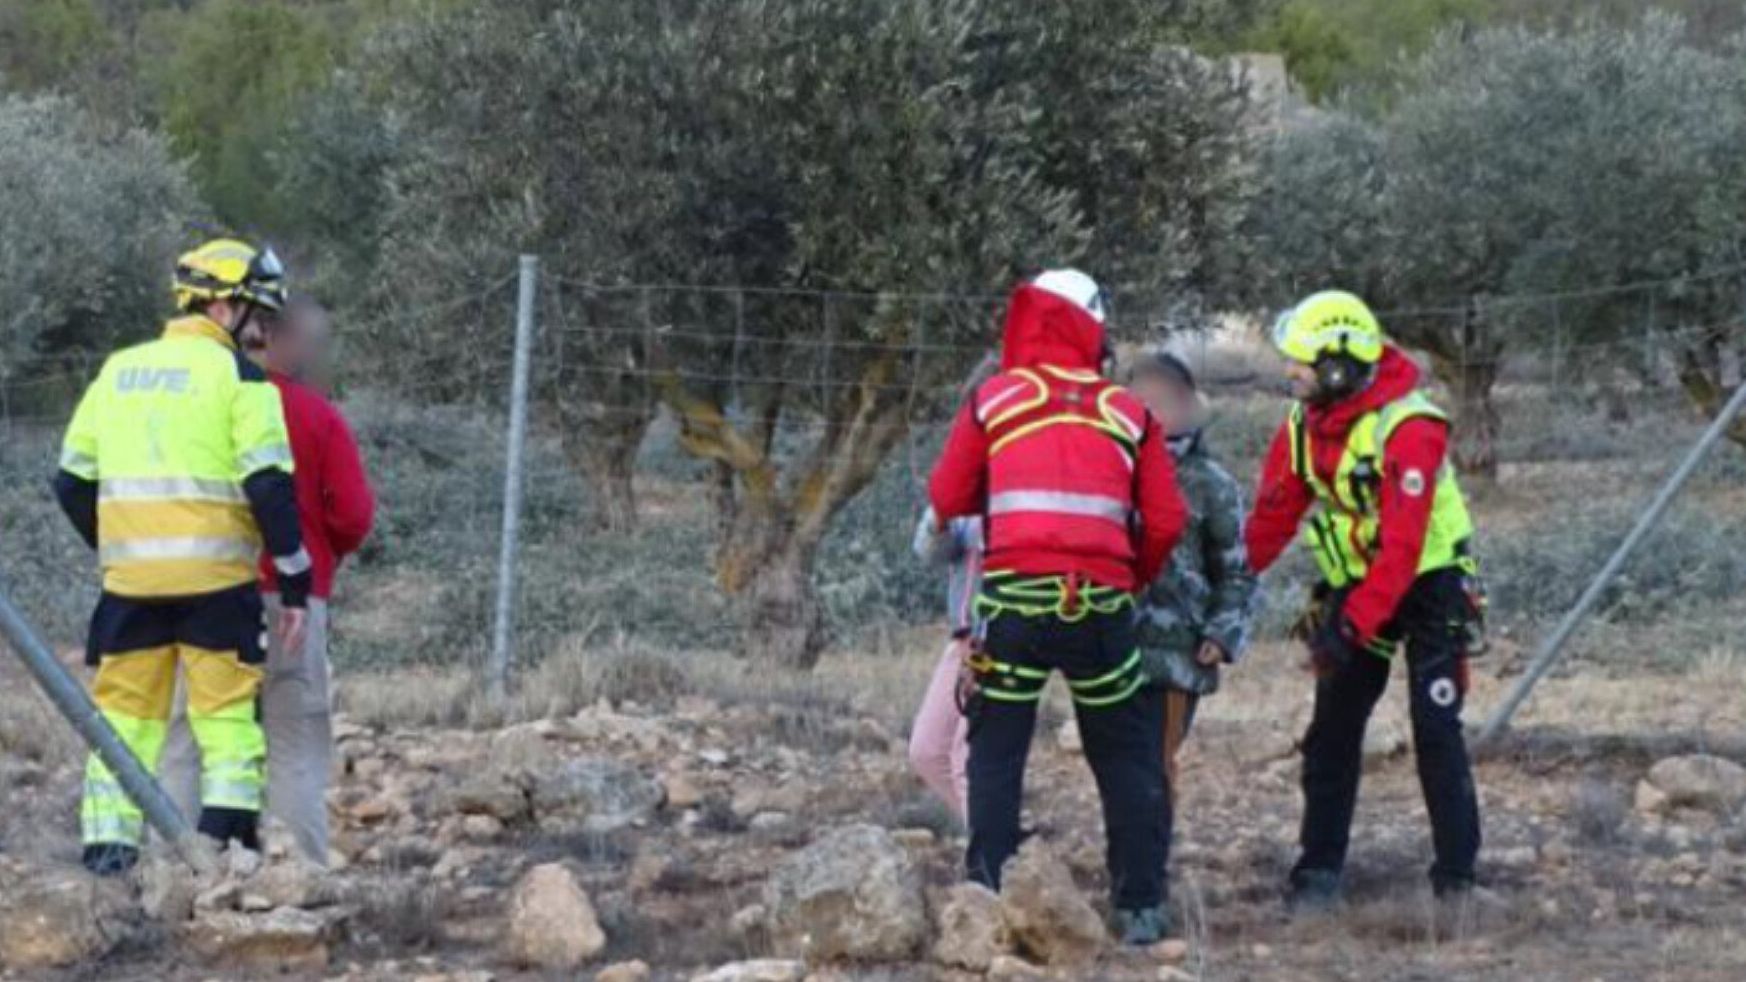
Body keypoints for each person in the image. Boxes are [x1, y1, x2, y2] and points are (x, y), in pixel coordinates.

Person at [929, 268, 1187, 944]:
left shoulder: (997, 399)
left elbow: (947, 495)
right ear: (1094, 328)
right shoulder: (1130, 413)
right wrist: (1132, 579)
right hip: (1101, 609)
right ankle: (1139, 910)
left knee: (996, 755)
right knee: (1124, 756)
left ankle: (986, 898)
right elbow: (1165, 519)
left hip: (1013, 605)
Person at [54, 238, 311, 875]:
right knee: (225, 726)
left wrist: (119, 543)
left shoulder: (117, 371)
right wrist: (296, 580)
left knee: (123, 723)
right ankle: (224, 862)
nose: (264, 328)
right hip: (216, 584)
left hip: (129, 585)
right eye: (258, 313)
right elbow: (269, 485)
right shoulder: (241, 381)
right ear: (223, 309)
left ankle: (107, 864)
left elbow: (71, 480)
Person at [1245, 290, 1484, 910]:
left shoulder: (1411, 427)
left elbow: (1403, 550)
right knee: (1332, 731)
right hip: (1362, 589)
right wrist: (1231, 580)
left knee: (1436, 730)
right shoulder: (1304, 425)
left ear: (1338, 365)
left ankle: (1457, 881)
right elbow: (1272, 520)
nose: (1289, 373)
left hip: (1430, 587)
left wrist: (1349, 628)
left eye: (1300, 362)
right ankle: (1317, 875)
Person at [161, 297, 376, 866]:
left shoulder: (192, 409)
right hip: (290, 597)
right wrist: (323, 560)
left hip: (198, 589)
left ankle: (179, 869)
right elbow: (352, 514)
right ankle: (299, 873)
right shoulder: (316, 414)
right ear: (280, 340)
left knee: (189, 735)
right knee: (295, 740)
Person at [1127, 351, 1257, 795]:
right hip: (1111, 650)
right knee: (1118, 765)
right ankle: (1128, 855)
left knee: (1155, 765)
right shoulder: (1111, 471)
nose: (1152, 413)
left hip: (1176, 657)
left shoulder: (1210, 482)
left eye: (1163, 402)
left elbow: (1237, 570)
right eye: (1140, 402)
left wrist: (1222, 634)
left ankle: (1150, 858)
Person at [907, 509, 981, 822]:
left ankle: (989, 860)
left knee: (969, 760)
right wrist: (940, 517)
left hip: (1006, 637)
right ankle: (997, 836)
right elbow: (928, 550)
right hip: (964, 636)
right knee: (927, 752)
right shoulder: (965, 484)